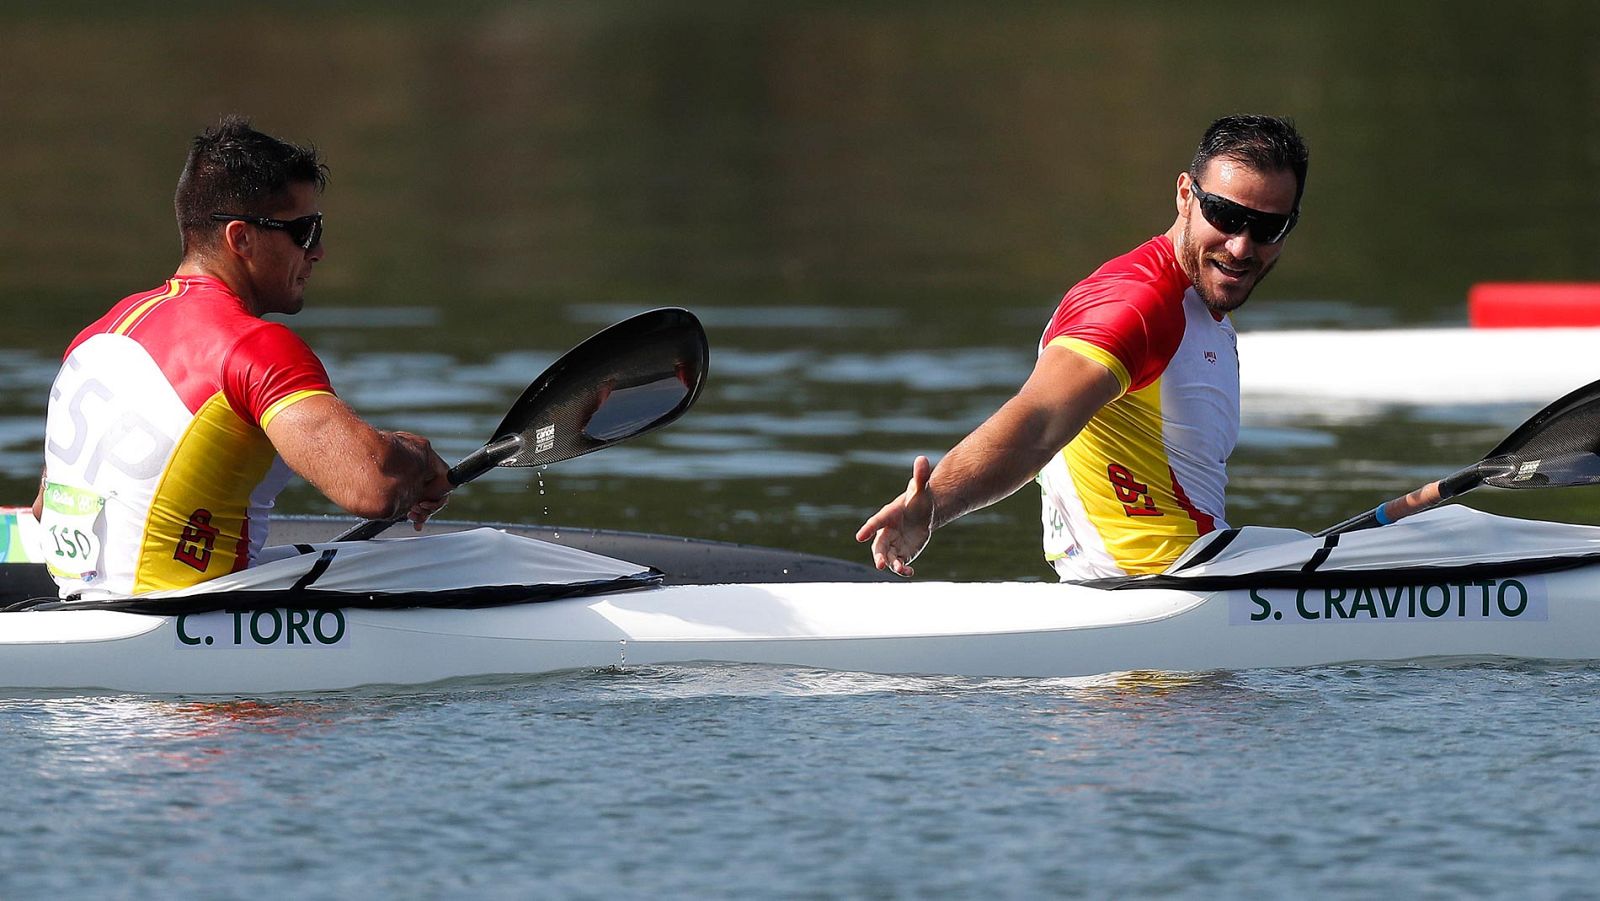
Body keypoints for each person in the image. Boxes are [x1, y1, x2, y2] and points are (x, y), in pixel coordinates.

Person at [856, 115, 1309, 581]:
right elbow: (1037, 423)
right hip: (1159, 590)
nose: (1240, 247)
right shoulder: (1137, 305)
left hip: (1181, 580)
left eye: (1267, 228)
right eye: (1227, 216)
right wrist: (932, 505)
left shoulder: (1197, 302)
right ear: (1184, 195)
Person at [31, 116, 451, 600]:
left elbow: (45, 509)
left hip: (76, 603)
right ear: (241, 238)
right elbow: (372, 487)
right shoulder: (250, 344)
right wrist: (416, 459)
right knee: (485, 554)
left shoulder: (98, 333)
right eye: (305, 231)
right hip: (184, 620)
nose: (319, 252)